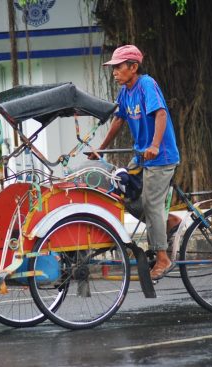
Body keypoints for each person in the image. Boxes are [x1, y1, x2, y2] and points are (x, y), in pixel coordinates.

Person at [89, 45, 181, 280]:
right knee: (123, 193)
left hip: (161, 156)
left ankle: (163, 258)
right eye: (113, 68)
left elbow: (160, 113)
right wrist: (101, 149)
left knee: (151, 204)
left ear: (133, 67)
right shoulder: (125, 92)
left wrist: (155, 145)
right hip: (141, 157)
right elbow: (118, 121)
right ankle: (169, 221)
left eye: (118, 67)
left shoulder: (146, 85)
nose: (114, 72)